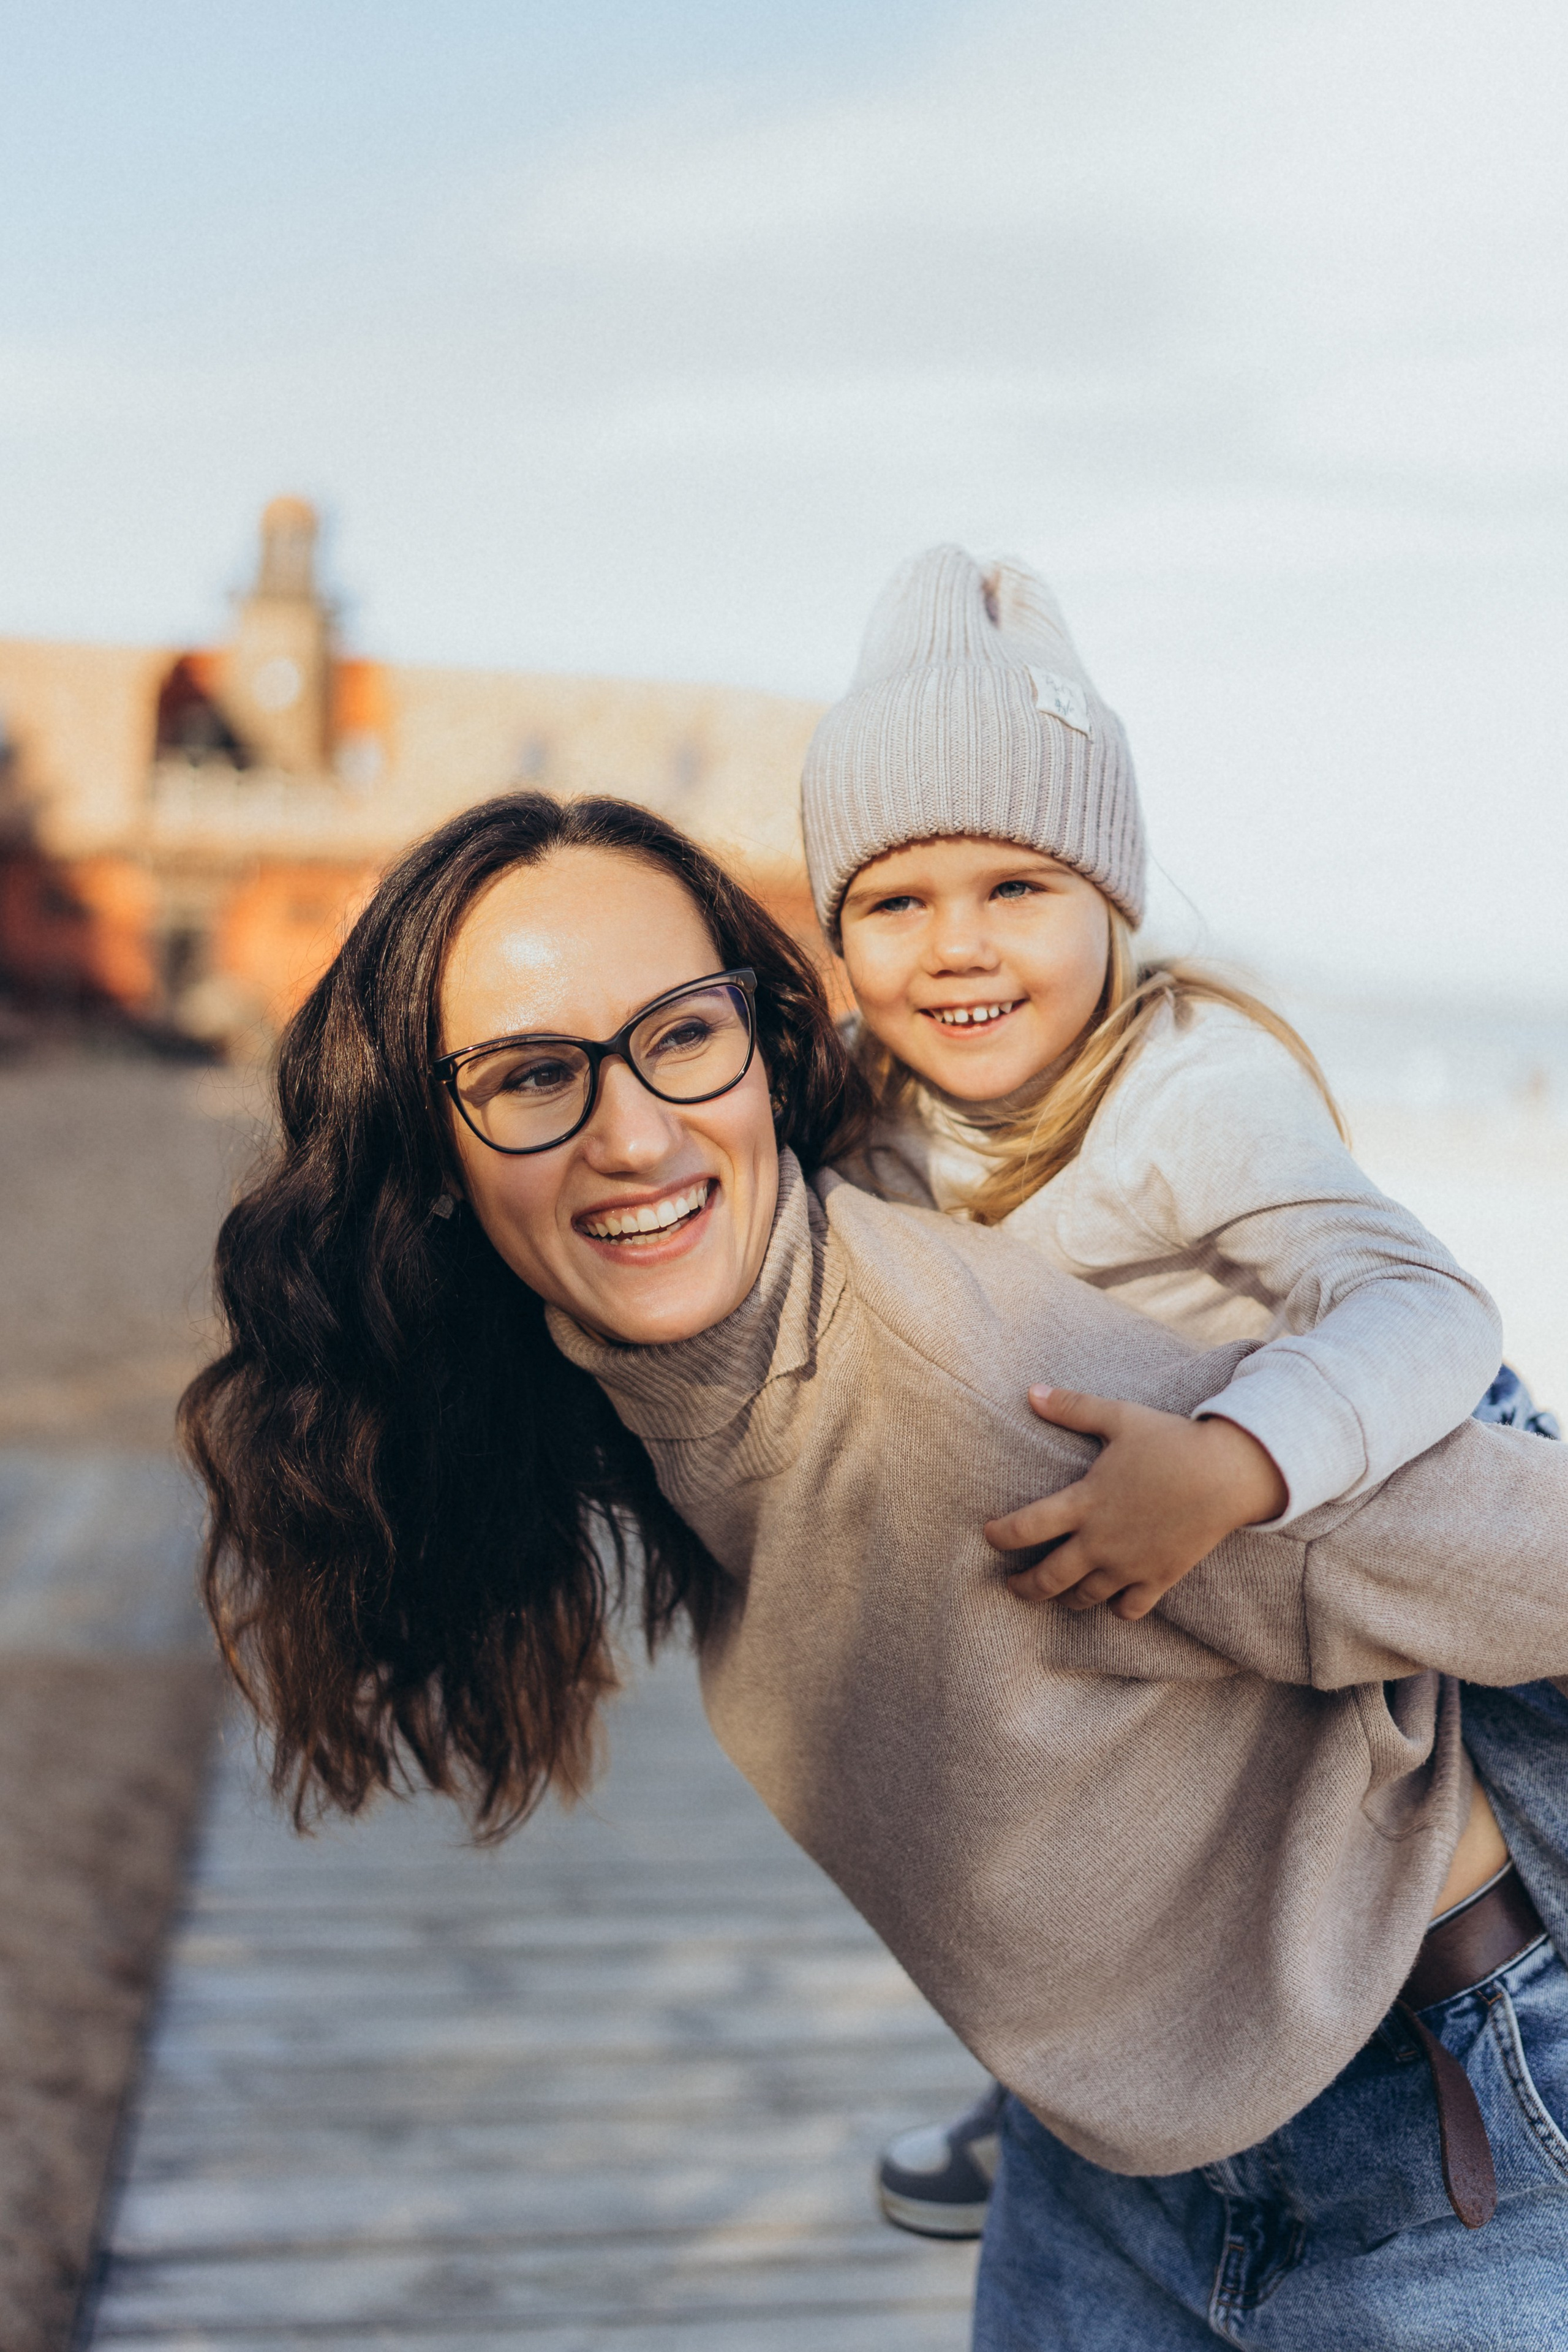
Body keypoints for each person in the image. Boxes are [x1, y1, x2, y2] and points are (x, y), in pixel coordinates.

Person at [184, 791, 1568, 2350]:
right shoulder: (642, 1390)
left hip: (1436, 2128)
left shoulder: (991, 1392)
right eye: (531, 1075)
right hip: (1103, 2156)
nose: (631, 1134)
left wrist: (1253, 1457)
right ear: (432, 1152)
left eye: (679, 1037)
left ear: (764, 1056)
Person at [797, 542, 1528, 2238]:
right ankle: (1054, 2072)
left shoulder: (1186, 1092)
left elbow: (1425, 1304)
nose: (956, 947)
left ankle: (1480, 2045)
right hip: (1128, 1619)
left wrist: (1231, 1457)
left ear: (1111, 900)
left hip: (1350, 1477)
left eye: (1016, 887)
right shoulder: (872, 1115)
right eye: (894, 903)